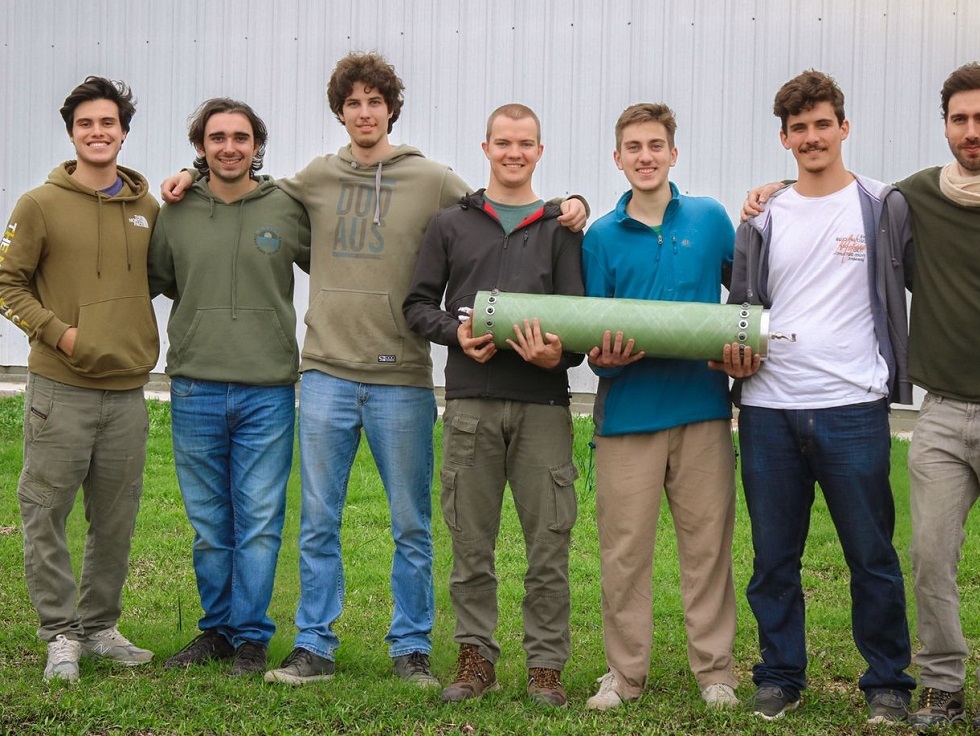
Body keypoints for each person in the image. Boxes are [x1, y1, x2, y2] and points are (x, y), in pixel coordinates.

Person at [162, 52, 586, 687]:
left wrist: (568, 204)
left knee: (411, 525)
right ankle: (314, 646)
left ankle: (411, 648)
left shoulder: (431, 179)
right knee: (319, 522)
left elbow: (498, 204)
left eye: (375, 102)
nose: (365, 112)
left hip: (401, 380)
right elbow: (247, 186)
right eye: (353, 103)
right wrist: (190, 174)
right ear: (341, 112)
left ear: (391, 110)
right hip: (326, 373)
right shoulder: (315, 177)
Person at [741, 63, 980, 734]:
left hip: (951, 408)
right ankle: (898, 683)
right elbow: (764, 271)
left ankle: (955, 686)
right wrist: (771, 189)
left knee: (959, 560)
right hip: (871, 410)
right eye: (960, 119)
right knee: (898, 557)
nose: (971, 130)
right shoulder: (891, 199)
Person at [716, 70, 915, 724]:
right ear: (784, 138)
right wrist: (734, 353)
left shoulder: (882, 205)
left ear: (843, 127)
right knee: (774, 558)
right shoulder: (763, 216)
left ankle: (887, 682)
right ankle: (779, 676)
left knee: (872, 555)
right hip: (769, 409)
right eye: (798, 128)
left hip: (853, 405)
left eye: (822, 124)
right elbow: (743, 305)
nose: (811, 137)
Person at [403, 104, 583, 707]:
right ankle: (475, 658)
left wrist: (555, 356)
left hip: (542, 407)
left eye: (525, 143)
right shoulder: (451, 224)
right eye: (503, 142)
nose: (514, 153)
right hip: (470, 404)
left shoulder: (561, 229)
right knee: (471, 544)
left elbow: (577, 324)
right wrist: (456, 335)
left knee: (549, 545)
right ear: (486, 148)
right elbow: (417, 305)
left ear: (539, 151)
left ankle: (546, 666)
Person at [0, 76, 160, 681]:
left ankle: (99, 628)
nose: (98, 132)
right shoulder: (39, 204)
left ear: (123, 132)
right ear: (72, 134)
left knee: (115, 520)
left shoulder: (148, 209)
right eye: (86, 124)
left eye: (108, 123)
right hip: (59, 391)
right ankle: (60, 634)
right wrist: (62, 334)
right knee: (45, 512)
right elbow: (6, 283)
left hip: (127, 393)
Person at [581, 103, 739, 711]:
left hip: (701, 411)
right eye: (633, 147)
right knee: (624, 554)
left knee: (708, 548)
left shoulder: (710, 218)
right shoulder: (600, 237)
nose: (645, 157)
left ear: (673, 153)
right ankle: (624, 675)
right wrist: (605, 359)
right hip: (628, 417)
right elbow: (593, 337)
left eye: (655, 146)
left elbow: (746, 294)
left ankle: (716, 672)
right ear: (617, 158)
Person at [148, 98, 310, 677]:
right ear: (201, 146)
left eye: (241, 137)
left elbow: (335, 266)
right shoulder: (176, 211)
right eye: (217, 138)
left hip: (267, 389)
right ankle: (216, 630)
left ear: (256, 145)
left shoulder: (287, 206)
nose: (229, 147)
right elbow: (160, 280)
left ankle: (251, 637)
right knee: (210, 524)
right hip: (195, 385)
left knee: (259, 521)